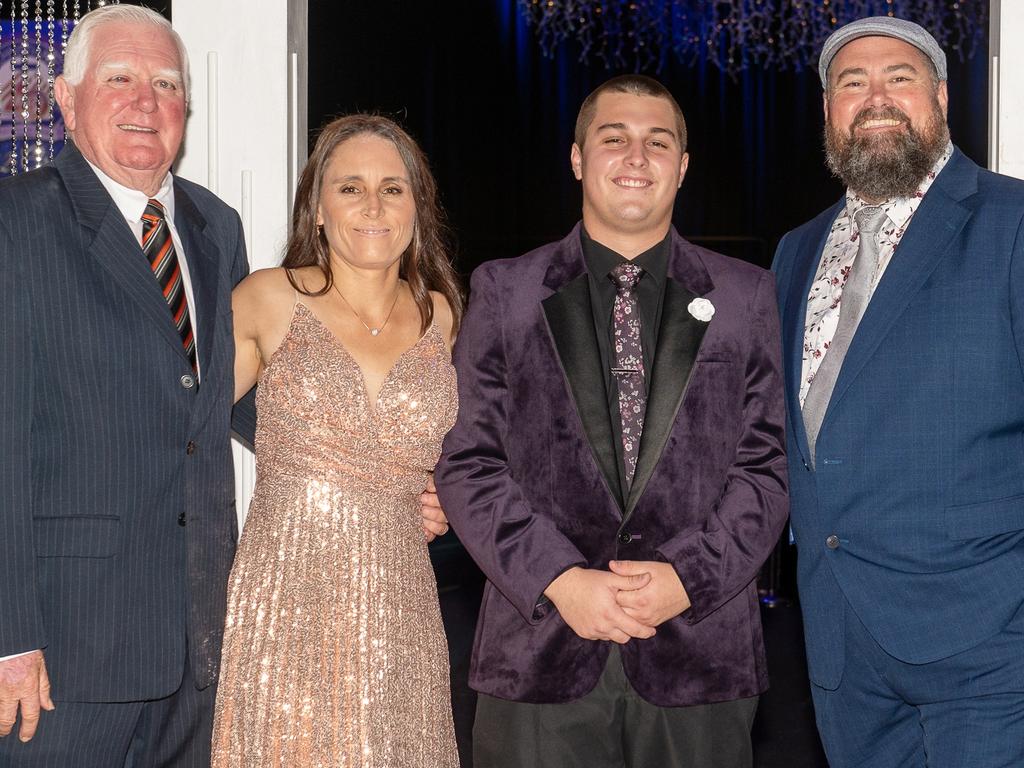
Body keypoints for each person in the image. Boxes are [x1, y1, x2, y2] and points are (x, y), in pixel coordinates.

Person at [0, 8, 448, 766]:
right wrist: (11, 638)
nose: (146, 101)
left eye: (166, 84)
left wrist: (380, 477)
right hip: (65, 651)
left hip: (208, 637)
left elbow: (229, 402)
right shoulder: (18, 221)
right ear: (66, 102)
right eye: (120, 80)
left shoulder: (214, 225)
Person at [435, 75, 789, 768]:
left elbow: (767, 468)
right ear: (576, 158)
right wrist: (562, 580)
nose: (636, 156)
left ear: (682, 167)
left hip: (700, 658)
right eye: (613, 138)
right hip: (538, 655)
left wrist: (686, 579)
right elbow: (469, 462)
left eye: (658, 143)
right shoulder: (505, 292)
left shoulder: (747, 296)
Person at [772, 16, 1024, 767]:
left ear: (941, 98)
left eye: (900, 78)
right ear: (828, 112)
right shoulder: (796, 249)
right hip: (840, 647)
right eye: (852, 83)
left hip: (990, 645)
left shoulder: (1012, 223)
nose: (875, 96)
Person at [210, 114, 462, 767]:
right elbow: (173, 427)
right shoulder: (268, 298)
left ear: (417, 207)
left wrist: (445, 497)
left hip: (402, 613)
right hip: (286, 608)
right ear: (317, 209)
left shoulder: (444, 314)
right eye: (350, 188)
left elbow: (474, 456)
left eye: (392, 188)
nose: (373, 205)